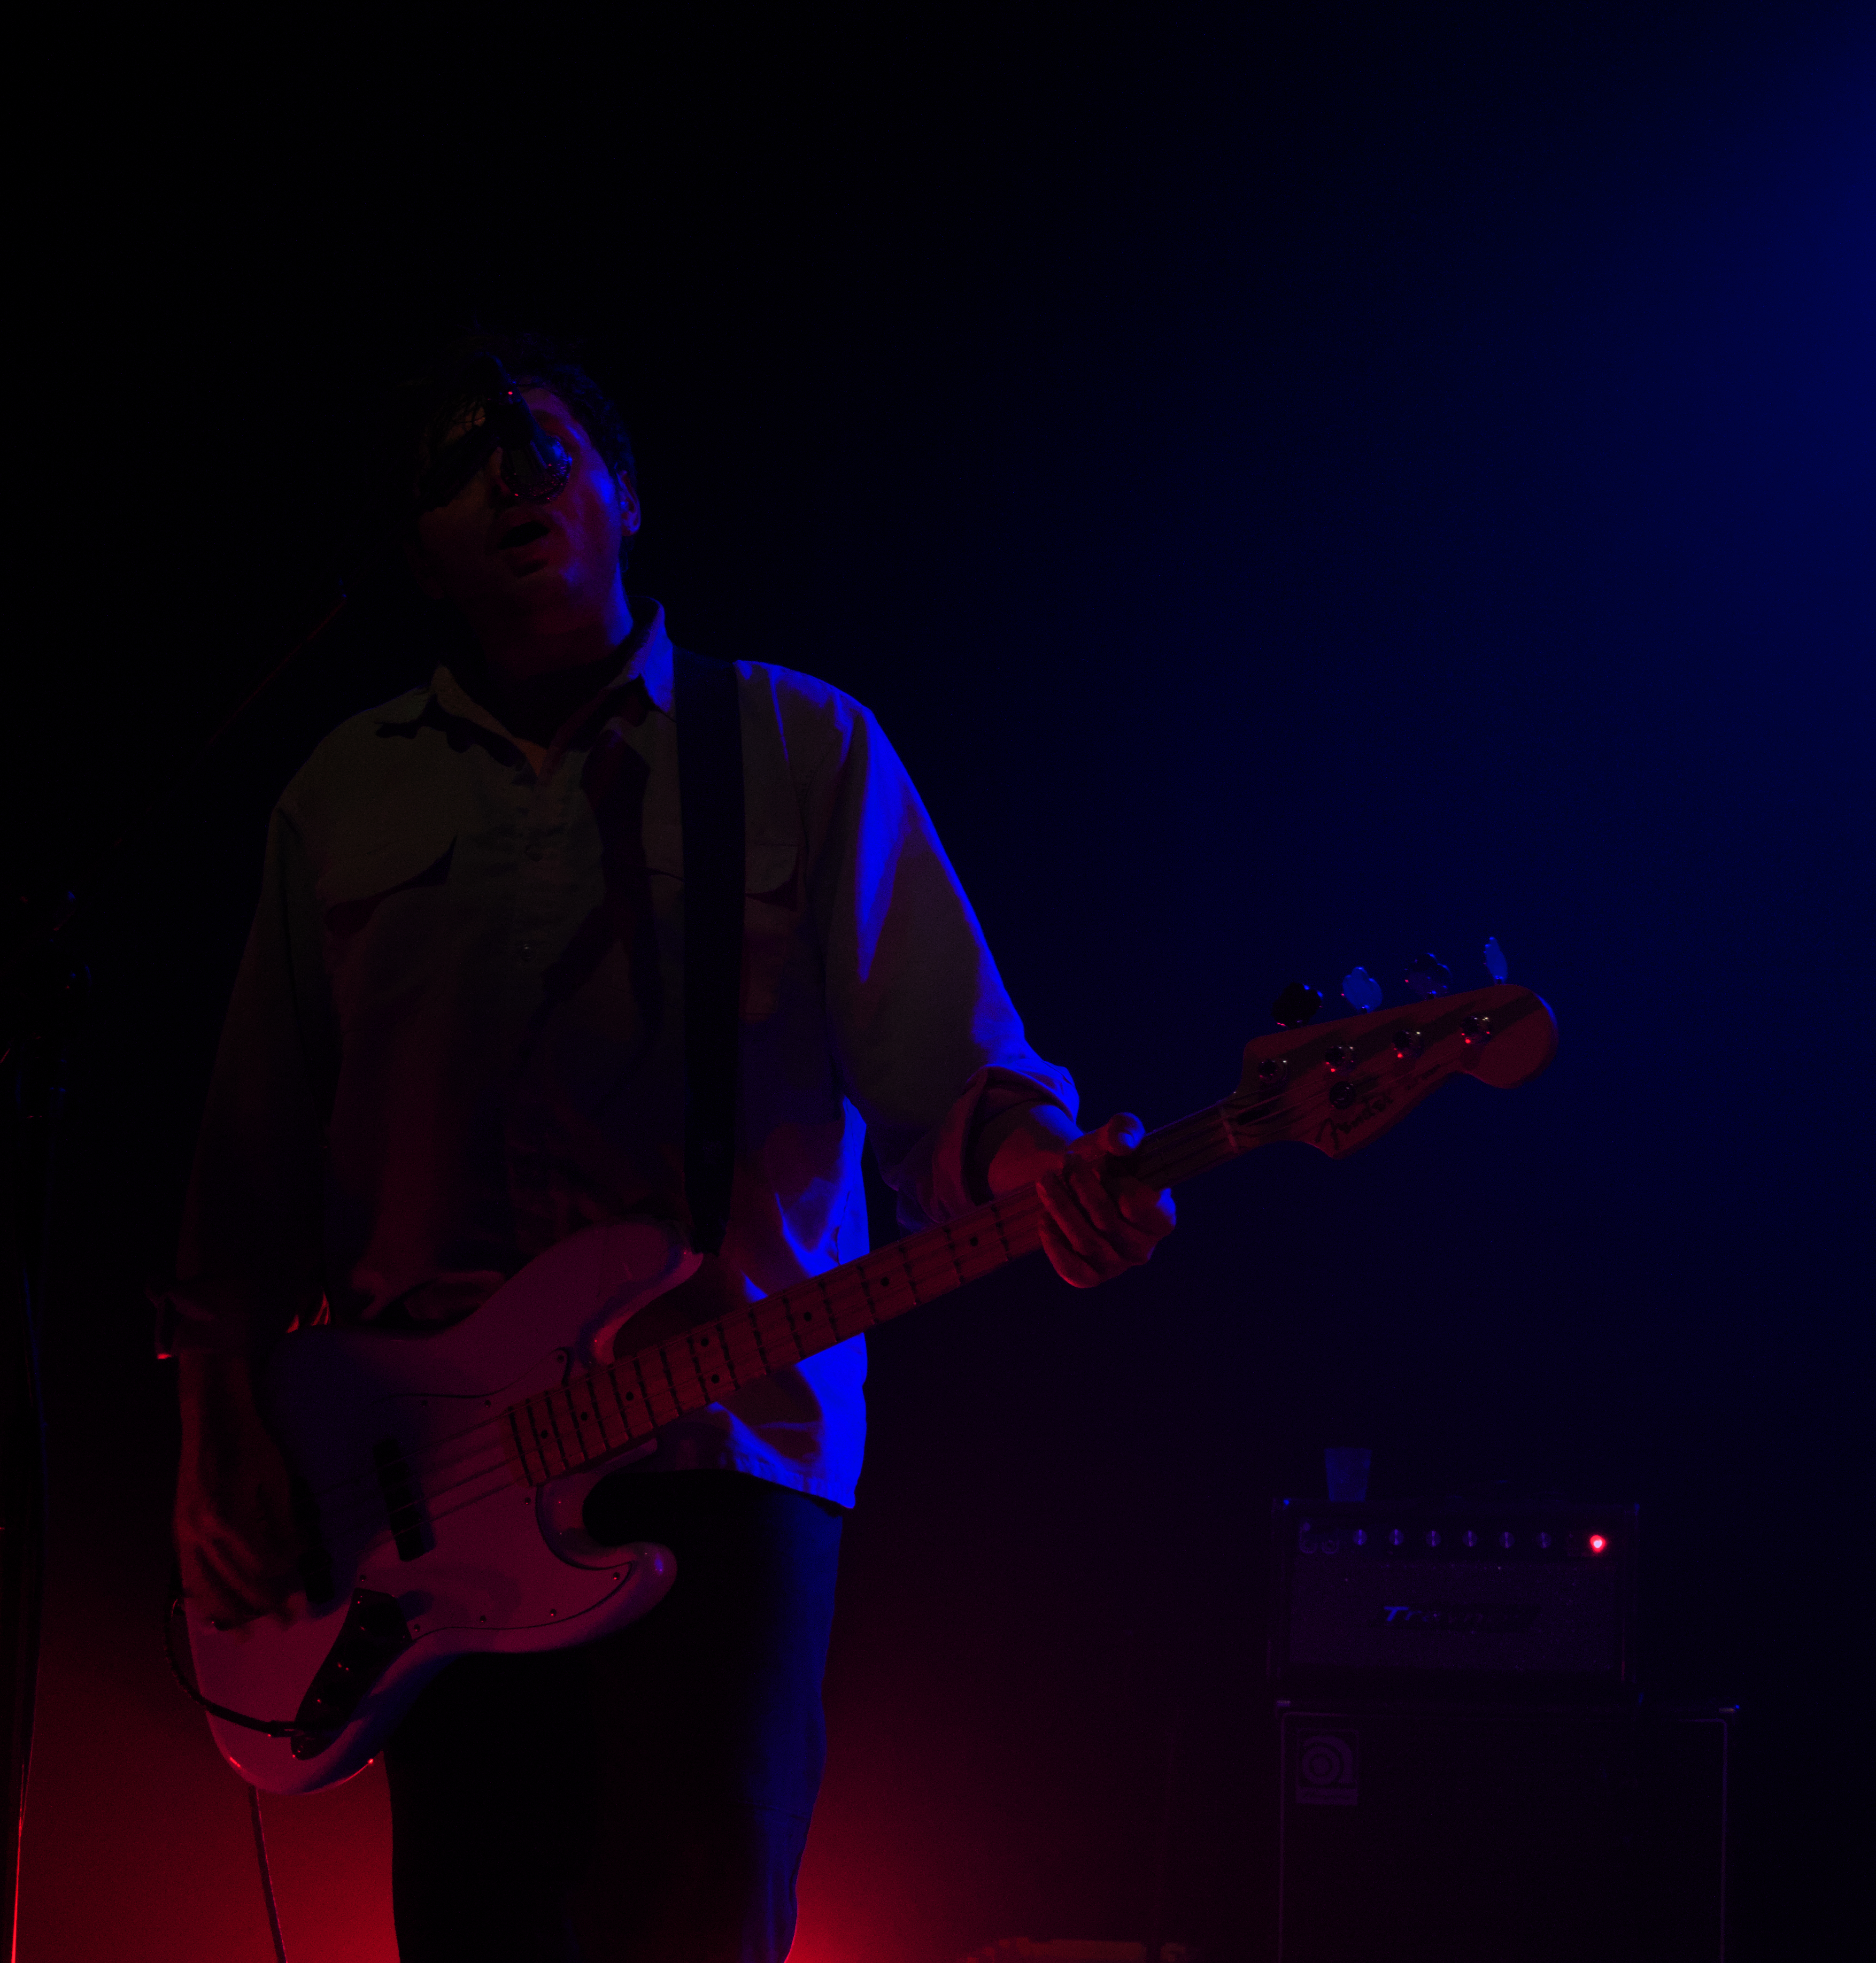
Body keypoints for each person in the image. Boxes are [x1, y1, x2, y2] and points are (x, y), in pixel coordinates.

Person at [161, 333, 1177, 1962]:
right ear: (417, 551)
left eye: (539, 447)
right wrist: (217, 1424)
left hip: (721, 1461)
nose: (504, 482)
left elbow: (959, 1084)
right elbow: (247, 1166)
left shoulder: (797, 749)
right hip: (423, 1507)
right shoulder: (335, 799)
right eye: (453, 468)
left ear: (628, 496)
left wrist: (1040, 1175)